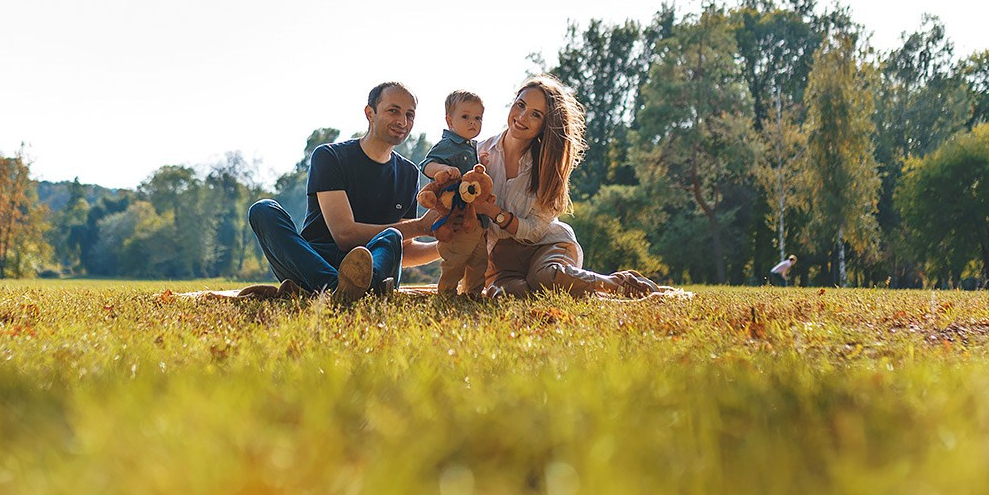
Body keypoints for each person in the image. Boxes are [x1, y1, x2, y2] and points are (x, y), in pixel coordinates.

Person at [465, 75, 677, 299]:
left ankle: (617, 284)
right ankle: (595, 294)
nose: (523, 116)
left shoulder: (548, 166)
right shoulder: (477, 153)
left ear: (545, 125)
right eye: (521, 105)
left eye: (536, 114)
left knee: (545, 278)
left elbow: (535, 230)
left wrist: (495, 213)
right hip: (501, 259)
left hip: (545, 247)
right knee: (510, 295)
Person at [243, 82, 446, 302]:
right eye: (393, 111)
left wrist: (447, 246)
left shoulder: (409, 173)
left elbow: (403, 249)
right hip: (314, 265)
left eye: (409, 115)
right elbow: (344, 235)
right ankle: (341, 288)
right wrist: (420, 226)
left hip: (373, 267)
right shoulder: (330, 156)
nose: (402, 121)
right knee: (263, 209)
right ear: (370, 113)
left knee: (393, 237)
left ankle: (344, 292)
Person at [420, 91, 489, 297]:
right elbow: (427, 165)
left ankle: (473, 293)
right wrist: (443, 169)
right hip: (456, 218)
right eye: (465, 117)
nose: (473, 122)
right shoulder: (448, 145)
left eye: (478, 118)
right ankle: (447, 293)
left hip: (477, 219)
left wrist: (482, 164)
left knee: (479, 259)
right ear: (450, 121)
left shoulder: (472, 148)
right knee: (456, 258)